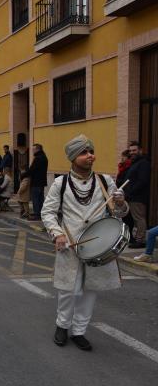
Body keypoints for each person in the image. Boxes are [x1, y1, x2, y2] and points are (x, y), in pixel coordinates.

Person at [41, 134, 128, 351]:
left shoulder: (105, 181)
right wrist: (57, 233)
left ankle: (79, 331)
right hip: (69, 245)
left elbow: (118, 213)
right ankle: (62, 325)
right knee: (68, 290)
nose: (90, 156)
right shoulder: (60, 183)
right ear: (72, 157)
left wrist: (120, 202)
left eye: (91, 152)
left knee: (90, 290)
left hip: (97, 246)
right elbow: (48, 212)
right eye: (84, 152)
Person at [124, 141, 151, 248]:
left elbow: (142, 181)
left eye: (134, 150)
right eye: (130, 151)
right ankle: (136, 238)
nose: (132, 152)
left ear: (140, 150)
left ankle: (141, 240)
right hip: (131, 196)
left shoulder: (144, 163)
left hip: (138, 197)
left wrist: (130, 192)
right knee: (133, 219)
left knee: (139, 218)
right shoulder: (135, 162)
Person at [24, 143, 48, 221]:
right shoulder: (44, 157)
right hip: (42, 181)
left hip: (36, 181)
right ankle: (40, 213)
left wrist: (23, 175)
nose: (32, 151)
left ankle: (37, 215)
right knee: (40, 198)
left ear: (38, 149)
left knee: (36, 198)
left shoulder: (38, 158)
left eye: (33, 149)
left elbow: (32, 169)